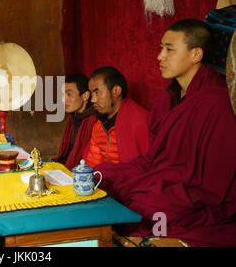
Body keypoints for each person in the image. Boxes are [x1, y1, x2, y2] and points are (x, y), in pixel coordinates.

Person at [96, 19, 236, 246]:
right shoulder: (167, 98)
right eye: (161, 48)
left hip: (194, 190)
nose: (160, 56)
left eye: (169, 50)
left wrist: (156, 182)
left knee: (149, 204)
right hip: (159, 173)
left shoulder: (217, 103)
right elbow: (155, 157)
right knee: (101, 175)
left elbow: (213, 183)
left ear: (196, 54)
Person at [84, 67, 149, 167]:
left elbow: (145, 168)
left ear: (116, 91)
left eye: (97, 92)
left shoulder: (140, 122)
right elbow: (93, 164)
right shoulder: (99, 126)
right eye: (92, 93)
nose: (92, 100)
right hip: (106, 179)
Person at [53, 73, 97, 170]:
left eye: (69, 94)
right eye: (63, 94)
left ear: (85, 95)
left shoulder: (94, 120)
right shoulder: (74, 116)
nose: (63, 99)